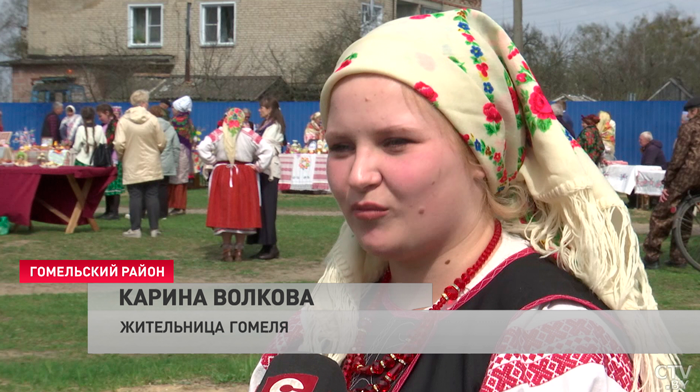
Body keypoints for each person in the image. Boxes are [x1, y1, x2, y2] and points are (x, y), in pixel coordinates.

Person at [249, 9, 677, 392]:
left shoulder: (547, 345)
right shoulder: (329, 314)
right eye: (341, 146)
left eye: (395, 142)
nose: (359, 175)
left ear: (480, 156)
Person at [197, 108, 274, 261]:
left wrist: (213, 161)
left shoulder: (219, 133)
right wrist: (259, 166)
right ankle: (239, 250)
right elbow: (268, 149)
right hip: (245, 174)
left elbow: (201, 147)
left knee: (225, 208)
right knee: (242, 209)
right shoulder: (249, 134)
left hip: (223, 173)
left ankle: (227, 249)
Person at [643, 97, 700, 269]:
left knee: (662, 213)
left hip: (688, 174)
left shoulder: (689, 127)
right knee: (687, 215)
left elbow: (678, 157)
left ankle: (652, 256)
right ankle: (679, 257)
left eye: (689, 112)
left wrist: (667, 182)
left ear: (694, 111)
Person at [114, 89, 166, 238]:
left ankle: (135, 229)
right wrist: (156, 152)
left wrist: (122, 156)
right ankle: (154, 229)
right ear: (144, 103)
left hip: (132, 161)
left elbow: (119, 143)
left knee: (135, 195)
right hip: (151, 161)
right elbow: (162, 141)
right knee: (152, 194)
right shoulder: (152, 119)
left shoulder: (124, 121)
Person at [247, 97, 285, 260]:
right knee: (261, 210)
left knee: (268, 210)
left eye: (263, 107)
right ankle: (264, 244)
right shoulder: (263, 125)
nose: (260, 110)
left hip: (269, 171)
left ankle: (271, 246)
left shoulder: (274, 126)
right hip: (260, 169)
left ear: (270, 109)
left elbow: (264, 145)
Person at [149, 105, 181, 220]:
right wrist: (175, 163)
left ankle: (147, 211)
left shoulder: (148, 126)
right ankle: (163, 213)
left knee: (150, 188)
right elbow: (176, 147)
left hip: (151, 161)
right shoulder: (170, 128)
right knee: (163, 188)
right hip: (167, 162)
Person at [96, 103, 125, 220]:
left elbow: (114, 141)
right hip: (107, 159)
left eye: (100, 115)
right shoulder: (105, 126)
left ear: (107, 113)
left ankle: (114, 212)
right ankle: (108, 211)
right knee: (108, 186)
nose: (99, 118)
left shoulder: (115, 125)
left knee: (114, 187)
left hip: (114, 159)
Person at [168, 96, 195, 216]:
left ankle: (178, 205)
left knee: (178, 178)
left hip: (179, 150)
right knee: (181, 177)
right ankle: (179, 205)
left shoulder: (177, 121)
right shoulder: (188, 120)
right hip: (185, 150)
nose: (172, 110)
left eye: (173, 107)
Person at [627, 131, 668, 209]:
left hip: (656, 174)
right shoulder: (649, 148)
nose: (639, 141)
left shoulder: (651, 149)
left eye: (641, 139)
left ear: (647, 140)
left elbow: (648, 163)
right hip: (653, 172)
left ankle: (634, 202)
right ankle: (634, 201)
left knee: (633, 179)